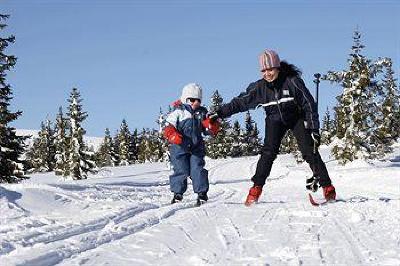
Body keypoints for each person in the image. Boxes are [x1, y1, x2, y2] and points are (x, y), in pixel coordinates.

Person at [209, 49, 336, 206]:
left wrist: (313, 129)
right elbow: (240, 102)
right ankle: (256, 189)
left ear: (277, 67)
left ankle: (328, 187)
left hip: (296, 117)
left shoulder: (292, 81)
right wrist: (220, 113)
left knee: (309, 151)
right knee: (268, 153)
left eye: (270, 69)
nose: (267, 74)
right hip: (274, 120)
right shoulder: (259, 88)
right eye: (264, 70)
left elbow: (308, 103)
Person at [163, 83, 220, 205]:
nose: (195, 103)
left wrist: (212, 126)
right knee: (181, 170)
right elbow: (168, 126)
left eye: (198, 100)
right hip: (179, 147)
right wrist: (172, 134)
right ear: (185, 99)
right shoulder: (179, 112)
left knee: (197, 169)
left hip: (196, 147)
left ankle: (202, 193)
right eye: (192, 100)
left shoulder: (202, 113)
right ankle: (178, 193)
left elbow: (207, 129)